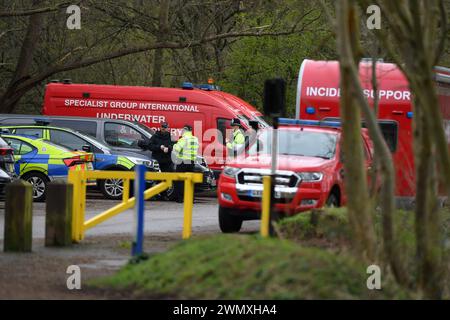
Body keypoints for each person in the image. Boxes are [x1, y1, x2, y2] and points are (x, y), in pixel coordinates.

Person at [172, 124, 199, 203]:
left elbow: (177, 149)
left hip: (183, 162)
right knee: (190, 180)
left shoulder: (183, 139)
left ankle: (180, 198)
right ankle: (191, 199)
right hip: (191, 162)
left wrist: (174, 145)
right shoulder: (195, 139)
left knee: (180, 180)